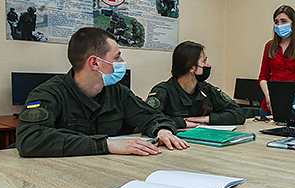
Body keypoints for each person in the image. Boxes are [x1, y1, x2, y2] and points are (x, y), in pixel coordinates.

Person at [16, 27, 189, 157]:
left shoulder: (117, 92)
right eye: (117, 57)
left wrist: (163, 131)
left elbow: (152, 116)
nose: (122, 61)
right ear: (95, 63)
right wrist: (106, 145)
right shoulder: (49, 94)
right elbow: (30, 139)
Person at [146, 41, 245, 129]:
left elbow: (238, 114)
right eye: (204, 61)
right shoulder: (163, 91)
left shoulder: (206, 89)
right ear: (191, 68)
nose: (208, 65)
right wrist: (182, 123)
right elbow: (146, 118)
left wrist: (206, 119)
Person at [257, 4, 295, 114]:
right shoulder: (269, 46)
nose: (279, 25)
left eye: (283, 21)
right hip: (270, 105)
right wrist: (269, 97)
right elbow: (263, 77)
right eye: (276, 22)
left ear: (293, 24)